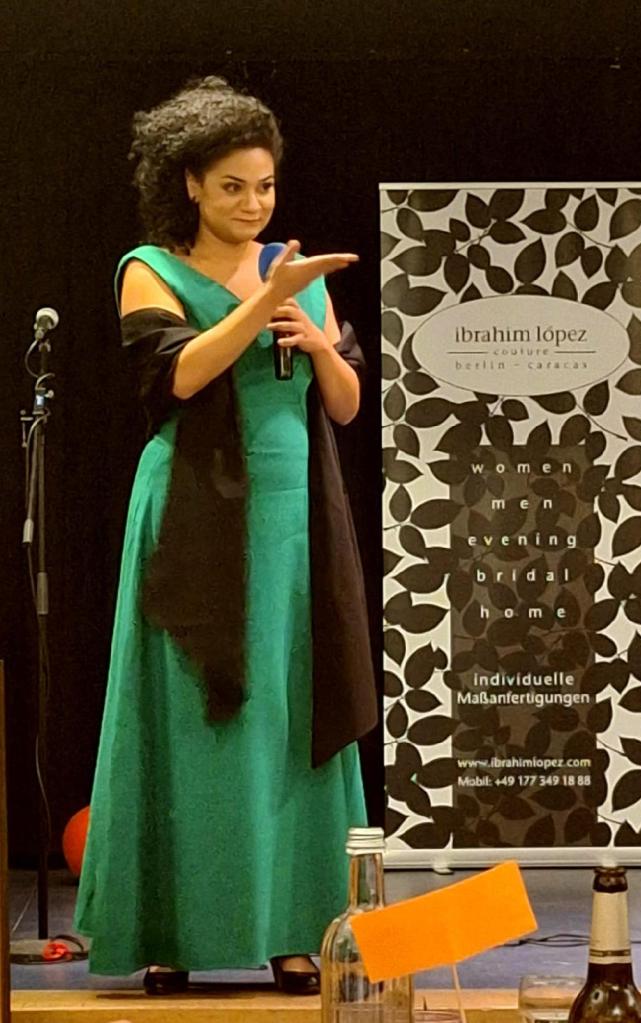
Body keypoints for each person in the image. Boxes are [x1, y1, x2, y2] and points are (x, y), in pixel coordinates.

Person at [74, 76, 378, 996]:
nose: (254, 204)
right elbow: (176, 378)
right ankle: (171, 929)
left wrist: (317, 341)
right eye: (234, 187)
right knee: (193, 716)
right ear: (191, 185)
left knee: (288, 714)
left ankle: (294, 928)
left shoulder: (293, 269)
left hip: (294, 519)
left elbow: (345, 406)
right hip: (194, 514)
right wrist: (263, 302)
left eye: (266, 185)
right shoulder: (149, 267)